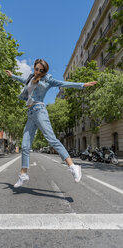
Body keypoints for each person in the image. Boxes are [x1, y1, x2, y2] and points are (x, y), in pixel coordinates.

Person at [6, 59, 97, 188]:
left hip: (40, 111)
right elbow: (23, 80)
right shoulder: (31, 77)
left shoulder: (47, 80)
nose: (38, 71)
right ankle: (23, 175)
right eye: (37, 69)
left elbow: (64, 83)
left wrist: (82, 85)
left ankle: (73, 166)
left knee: (52, 139)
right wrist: (12, 76)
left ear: (45, 71)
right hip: (31, 113)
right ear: (34, 68)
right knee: (25, 145)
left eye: (41, 70)